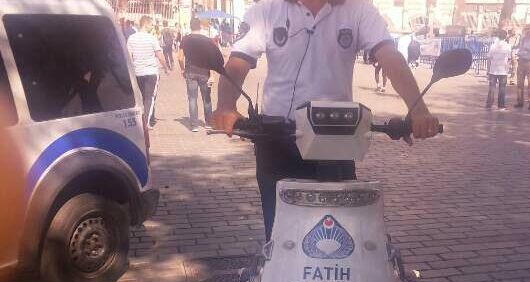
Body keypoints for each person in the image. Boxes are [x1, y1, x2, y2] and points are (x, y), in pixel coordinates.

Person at [212, 0, 440, 240]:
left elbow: (390, 57)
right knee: (278, 234)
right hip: (276, 138)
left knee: (341, 235)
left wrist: (419, 110)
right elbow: (238, 63)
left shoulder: (359, 11)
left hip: (337, 140)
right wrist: (226, 106)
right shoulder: (266, 11)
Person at [127, 16, 168, 129]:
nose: (152, 27)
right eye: (151, 25)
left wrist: (131, 70)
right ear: (146, 24)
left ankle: (140, 120)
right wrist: (165, 68)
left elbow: (129, 57)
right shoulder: (151, 38)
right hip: (151, 72)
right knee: (149, 97)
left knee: (140, 97)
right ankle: (145, 122)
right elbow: (160, 55)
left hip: (137, 71)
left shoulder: (131, 38)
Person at [179, 18, 216, 132]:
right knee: (206, 98)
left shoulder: (185, 39)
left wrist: (182, 69)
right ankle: (209, 123)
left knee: (192, 98)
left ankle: (194, 125)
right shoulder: (207, 40)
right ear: (200, 26)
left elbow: (180, 57)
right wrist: (212, 74)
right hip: (204, 72)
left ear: (190, 26)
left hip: (190, 71)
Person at [486, 30, 511, 110]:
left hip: (493, 69)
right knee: (502, 88)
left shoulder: (493, 45)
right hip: (503, 70)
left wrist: (488, 70)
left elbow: (489, 58)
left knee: (492, 88)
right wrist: (509, 68)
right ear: (505, 37)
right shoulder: (508, 46)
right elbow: (509, 59)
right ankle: (501, 106)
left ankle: (489, 104)